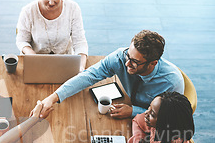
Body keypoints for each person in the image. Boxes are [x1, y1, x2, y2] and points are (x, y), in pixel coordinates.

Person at [37, 30, 184, 119]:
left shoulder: (172, 82)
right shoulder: (121, 56)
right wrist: (53, 97)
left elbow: (169, 117)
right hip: (125, 111)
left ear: (153, 63)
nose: (126, 63)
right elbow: (89, 76)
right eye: (128, 55)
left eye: (134, 62)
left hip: (149, 124)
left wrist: (134, 111)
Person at [16, 0, 88, 71]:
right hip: (36, 64)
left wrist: (81, 68)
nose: (51, 2)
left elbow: (80, 42)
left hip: (66, 63)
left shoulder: (73, 8)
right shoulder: (28, 11)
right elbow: (22, 41)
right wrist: (33, 57)